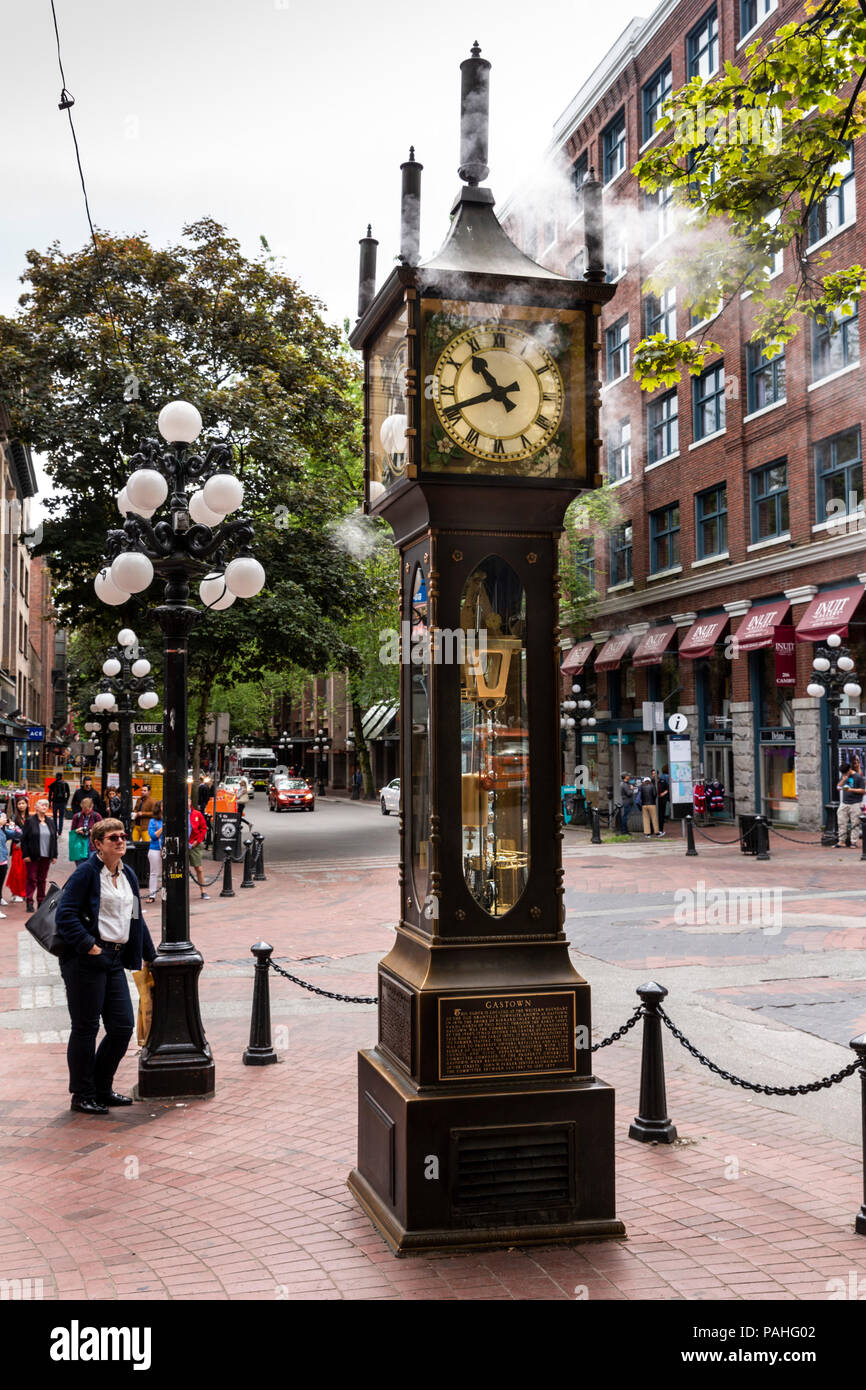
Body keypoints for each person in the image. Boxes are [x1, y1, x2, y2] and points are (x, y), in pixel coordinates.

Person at [55, 817, 156, 1115]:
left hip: (114, 960)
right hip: (86, 961)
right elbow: (66, 916)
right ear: (98, 844)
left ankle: (101, 1087)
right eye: (113, 838)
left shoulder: (129, 875)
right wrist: (91, 946)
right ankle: (82, 1094)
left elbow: (136, 918)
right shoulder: (86, 874)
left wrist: (149, 954)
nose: (121, 841)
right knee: (86, 1028)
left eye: (123, 836)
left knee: (122, 1026)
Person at [21, 797, 59, 910]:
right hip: (33, 855)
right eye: (42, 805)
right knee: (32, 879)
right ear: (36, 807)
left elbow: (54, 839)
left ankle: (41, 901)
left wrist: (54, 855)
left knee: (42, 880)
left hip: (46, 856)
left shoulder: (50, 822)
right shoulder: (30, 821)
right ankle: (29, 901)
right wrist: (25, 855)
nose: (44, 807)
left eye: (46, 805)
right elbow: (24, 839)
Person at [838, 754, 864, 847]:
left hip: (855, 803)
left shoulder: (858, 777)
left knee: (855, 823)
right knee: (841, 822)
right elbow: (838, 787)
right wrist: (843, 780)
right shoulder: (844, 776)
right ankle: (841, 841)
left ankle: (853, 842)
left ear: (849, 770)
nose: (844, 774)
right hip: (844, 803)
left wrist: (851, 790)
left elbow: (863, 790)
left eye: (845, 773)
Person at [5, 797, 28, 902]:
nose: (21, 805)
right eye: (19, 804)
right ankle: (15, 893)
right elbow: (12, 832)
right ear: (17, 805)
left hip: (28, 847)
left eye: (23, 803)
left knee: (25, 871)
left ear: (26, 804)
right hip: (17, 847)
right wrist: (18, 841)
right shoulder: (14, 818)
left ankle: (23, 893)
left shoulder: (30, 818)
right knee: (16, 870)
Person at [188, 801, 210, 900]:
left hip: (194, 844)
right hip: (182, 843)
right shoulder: (179, 814)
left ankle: (203, 890)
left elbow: (204, 828)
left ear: (190, 802)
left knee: (198, 868)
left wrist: (197, 841)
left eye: (188, 801)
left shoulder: (197, 814)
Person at [70, 798, 102, 863]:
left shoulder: (97, 816)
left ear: (92, 806)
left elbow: (102, 830)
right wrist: (77, 830)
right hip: (80, 844)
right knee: (80, 866)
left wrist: (92, 831)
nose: (86, 811)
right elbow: (72, 832)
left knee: (92, 865)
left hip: (92, 845)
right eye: (84, 809)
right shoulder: (77, 816)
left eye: (88, 809)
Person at [145, 801, 163, 904]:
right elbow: (153, 836)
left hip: (167, 849)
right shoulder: (153, 821)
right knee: (154, 873)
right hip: (155, 849)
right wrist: (162, 828)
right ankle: (152, 895)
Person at [656, 766, 670, 836]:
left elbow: (667, 788)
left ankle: (660, 829)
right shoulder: (666, 777)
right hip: (659, 800)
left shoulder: (662, 779)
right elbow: (668, 787)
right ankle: (658, 829)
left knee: (661, 814)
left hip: (662, 799)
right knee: (660, 814)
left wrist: (663, 793)